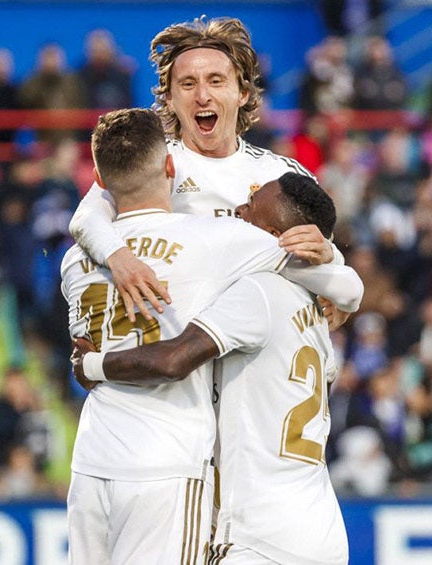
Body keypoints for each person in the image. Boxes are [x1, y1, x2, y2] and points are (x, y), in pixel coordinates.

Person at [60, 108, 362, 564]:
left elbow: (86, 223)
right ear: (168, 167)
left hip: (93, 458)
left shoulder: (72, 264)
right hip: (171, 463)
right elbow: (346, 287)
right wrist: (334, 265)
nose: (240, 209)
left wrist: (89, 362)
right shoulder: (219, 243)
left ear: (99, 180)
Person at [68, 17, 340, 322]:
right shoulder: (153, 161)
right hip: (177, 347)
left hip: (257, 354)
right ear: (169, 99)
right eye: (187, 84)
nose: (202, 96)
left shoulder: (280, 174)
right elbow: (86, 218)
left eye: (216, 80)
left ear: (243, 93)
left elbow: (325, 246)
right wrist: (120, 259)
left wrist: (332, 268)